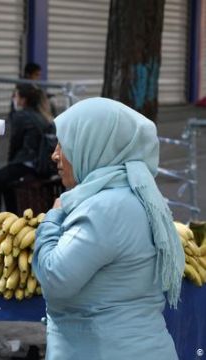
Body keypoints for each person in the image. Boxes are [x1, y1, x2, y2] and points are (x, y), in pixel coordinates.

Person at [32, 97, 185, 360]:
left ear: (94, 145)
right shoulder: (137, 194)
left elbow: (54, 278)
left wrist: (52, 218)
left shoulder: (104, 209)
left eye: (64, 144)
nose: (55, 154)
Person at [0, 84, 55, 212]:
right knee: (7, 183)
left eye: (16, 96)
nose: (14, 98)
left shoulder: (22, 116)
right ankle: (11, 215)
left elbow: (15, 143)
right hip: (41, 165)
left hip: (28, 164)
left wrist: (10, 163)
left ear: (23, 99)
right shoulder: (41, 114)